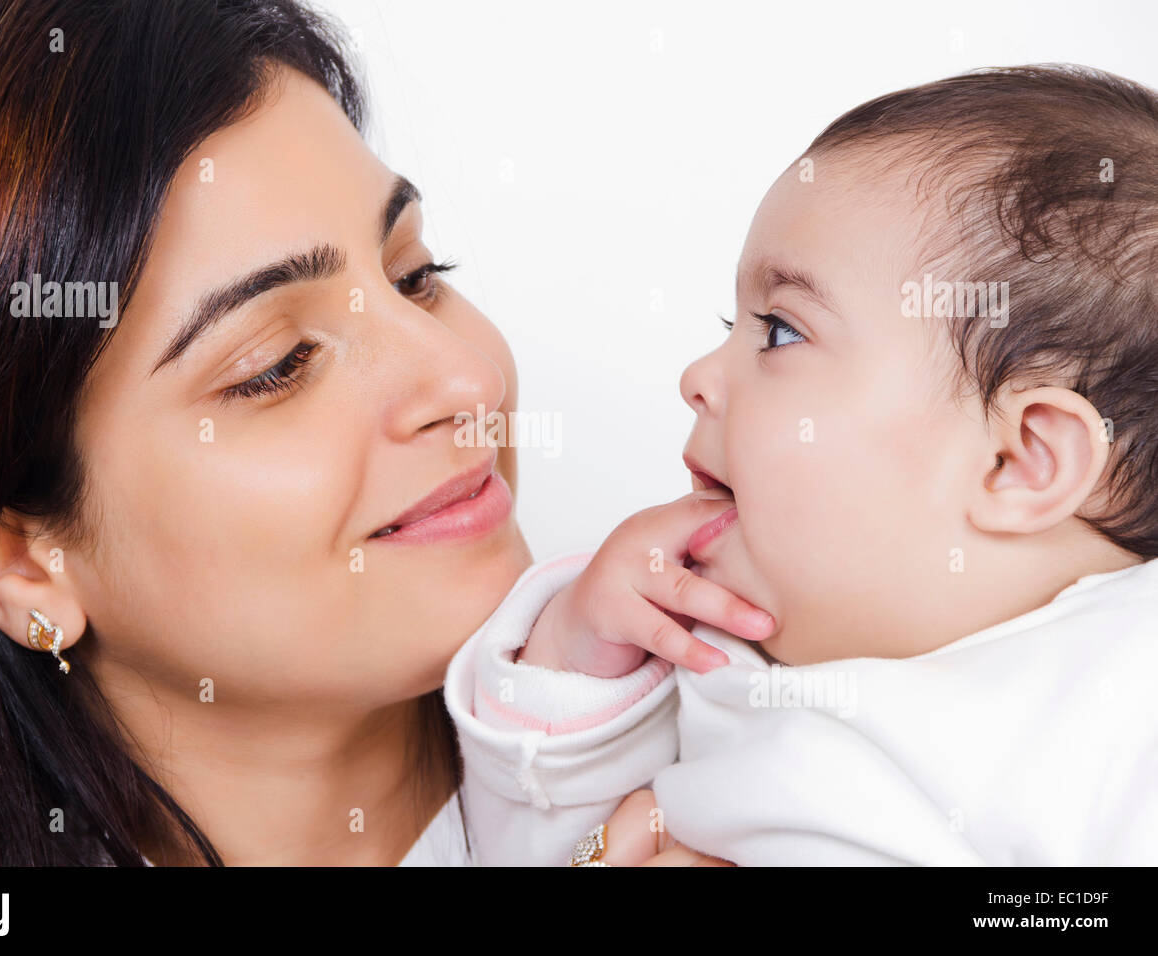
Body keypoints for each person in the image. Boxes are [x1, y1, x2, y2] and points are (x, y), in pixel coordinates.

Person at [0, 0, 764, 865]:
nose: (468, 379)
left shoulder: (772, 760)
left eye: (415, 274)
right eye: (278, 363)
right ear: (5, 551)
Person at [447, 64, 1158, 866]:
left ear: (1019, 461)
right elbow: (540, 851)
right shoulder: (719, 649)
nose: (698, 377)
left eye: (781, 330)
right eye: (735, 322)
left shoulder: (1127, 691)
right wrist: (573, 667)